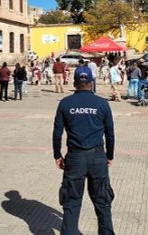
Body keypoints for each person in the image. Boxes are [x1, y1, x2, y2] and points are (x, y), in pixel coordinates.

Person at [52, 66, 115, 235]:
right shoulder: (102, 104)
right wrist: (109, 156)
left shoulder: (65, 103)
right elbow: (110, 134)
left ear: (74, 82)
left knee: (71, 202)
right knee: (103, 202)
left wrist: (57, 155)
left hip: (75, 157)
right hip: (97, 157)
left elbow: (57, 133)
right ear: (91, 83)